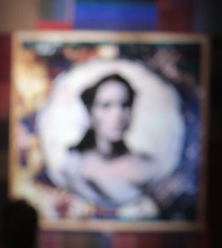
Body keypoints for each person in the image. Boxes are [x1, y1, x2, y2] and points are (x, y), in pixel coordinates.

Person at [57, 72, 156, 209]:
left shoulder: (146, 167)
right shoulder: (73, 165)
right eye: (106, 106)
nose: (117, 115)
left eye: (125, 105)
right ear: (91, 112)